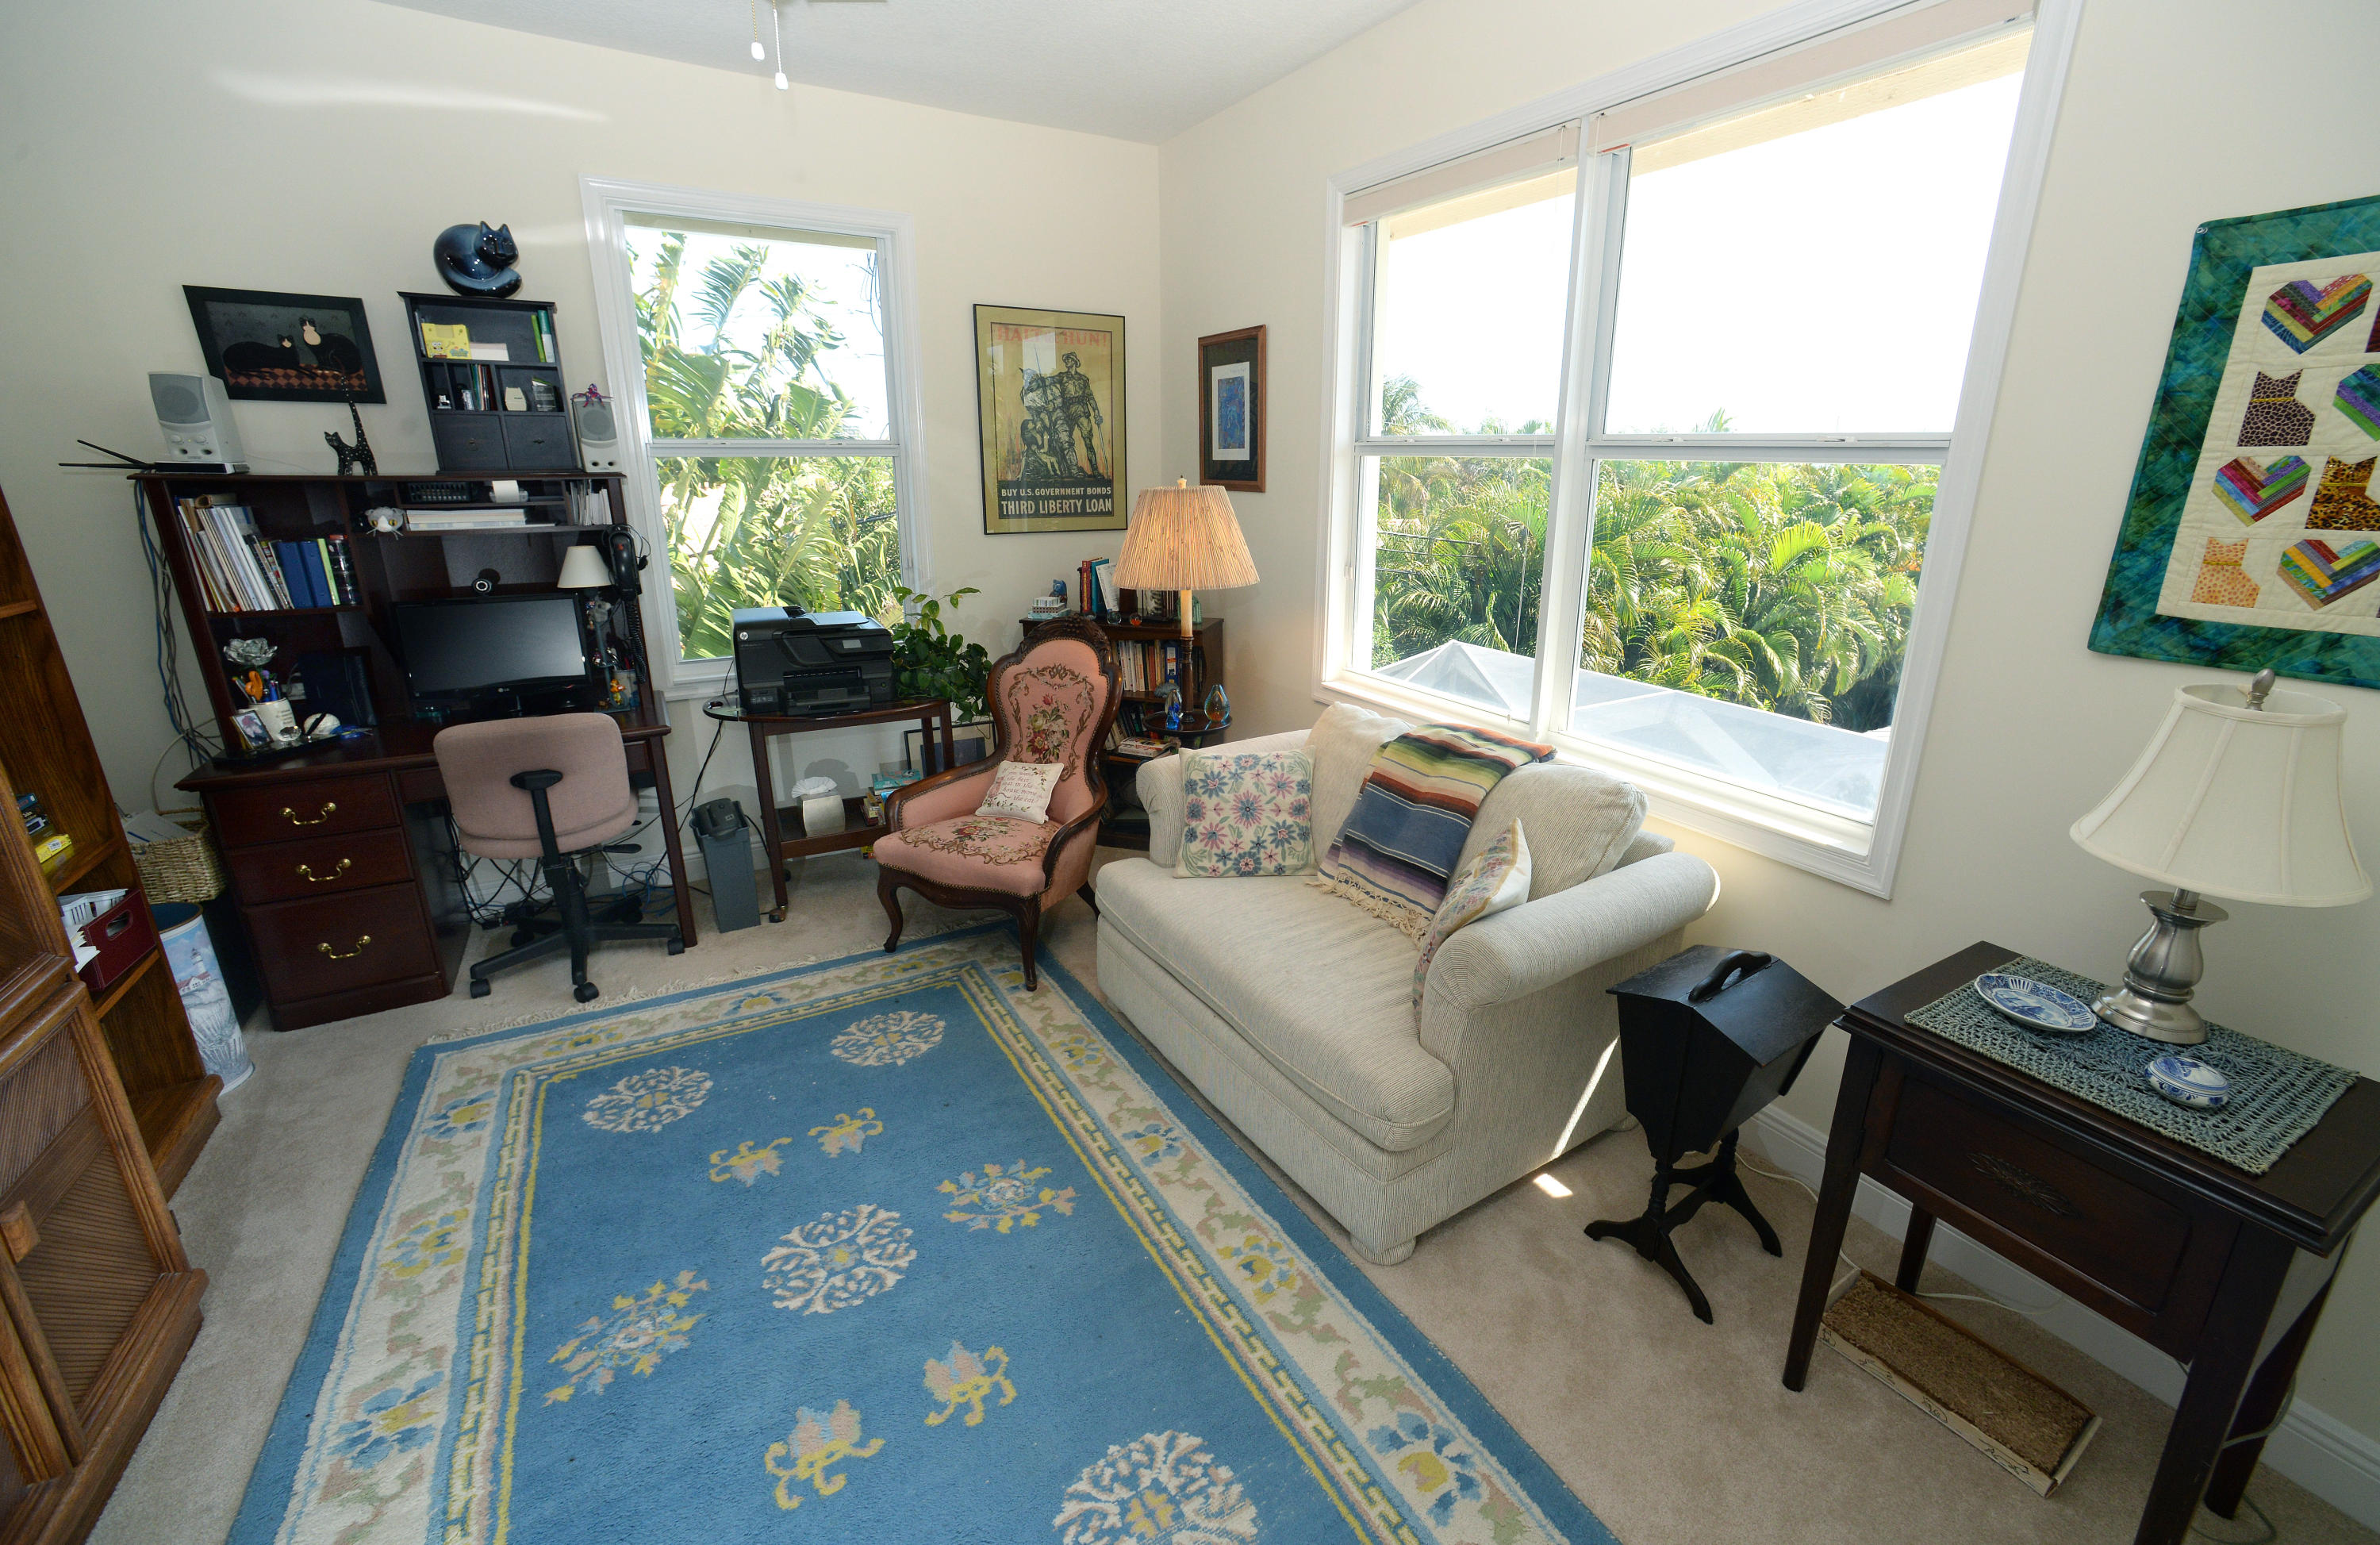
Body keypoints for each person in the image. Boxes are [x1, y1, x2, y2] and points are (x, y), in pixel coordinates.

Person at [1052, 351, 1105, 480]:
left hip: (1082, 410)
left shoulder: (1083, 379)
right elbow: (1048, 383)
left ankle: (1095, 470)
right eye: (1066, 360)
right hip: (1067, 411)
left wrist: (1096, 412)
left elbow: (1090, 397)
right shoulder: (1061, 377)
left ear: (1075, 361)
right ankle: (1067, 471)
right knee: (1065, 441)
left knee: (1088, 441)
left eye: (1069, 360)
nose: (1067, 362)